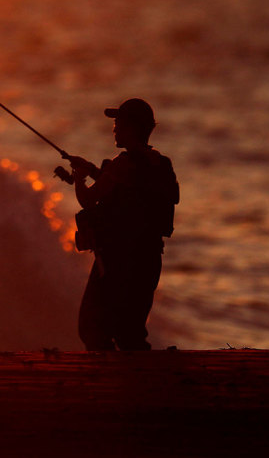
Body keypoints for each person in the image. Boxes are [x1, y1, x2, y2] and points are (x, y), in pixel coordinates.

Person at [68, 98, 179, 351]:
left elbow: (88, 200)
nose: (114, 129)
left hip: (118, 262)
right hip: (148, 259)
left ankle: (112, 383)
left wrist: (78, 179)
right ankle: (135, 383)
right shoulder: (160, 164)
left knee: (92, 328)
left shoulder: (123, 165)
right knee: (131, 332)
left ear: (131, 128)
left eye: (118, 124)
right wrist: (94, 170)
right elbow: (129, 187)